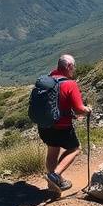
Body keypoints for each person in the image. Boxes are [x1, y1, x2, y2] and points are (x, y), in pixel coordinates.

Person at [39, 54, 91, 193]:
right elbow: (79, 109)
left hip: (45, 125)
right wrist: (87, 110)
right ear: (68, 66)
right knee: (75, 149)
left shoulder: (47, 80)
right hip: (62, 127)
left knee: (52, 150)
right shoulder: (70, 84)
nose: (73, 70)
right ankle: (55, 175)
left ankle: (52, 186)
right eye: (73, 67)